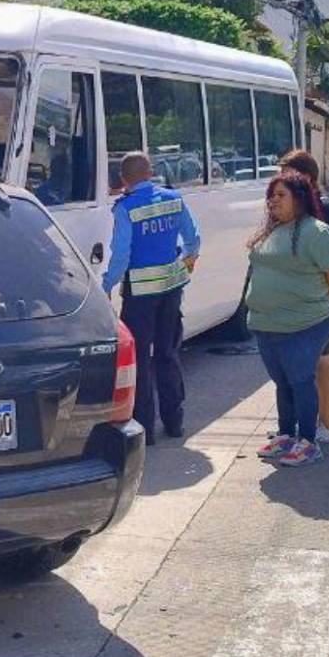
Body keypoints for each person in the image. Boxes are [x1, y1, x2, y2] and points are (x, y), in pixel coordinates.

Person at [247, 172, 329, 467]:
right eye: (272, 195)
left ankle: (308, 442)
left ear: (300, 198)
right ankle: (285, 435)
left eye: (281, 195)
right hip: (267, 323)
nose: (273, 201)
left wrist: (313, 303)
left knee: (301, 380)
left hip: (306, 323)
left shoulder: (318, 233)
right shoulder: (271, 230)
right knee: (283, 382)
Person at [102, 152, 201, 445]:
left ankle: (144, 429)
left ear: (123, 180)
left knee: (141, 359)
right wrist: (181, 264)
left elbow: (121, 255)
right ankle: (175, 422)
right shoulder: (173, 198)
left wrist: (106, 285)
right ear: (151, 172)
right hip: (172, 290)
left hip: (141, 296)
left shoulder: (126, 208)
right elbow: (194, 239)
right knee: (168, 354)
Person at [278, 150, 329, 445]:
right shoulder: (291, 212)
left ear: (306, 178)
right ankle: (296, 425)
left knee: (320, 361)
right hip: (296, 301)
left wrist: (328, 297)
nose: (280, 182)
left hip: (326, 301)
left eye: (287, 176)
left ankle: (326, 426)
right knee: (295, 365)